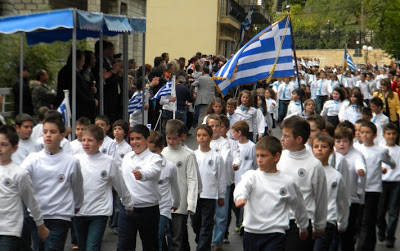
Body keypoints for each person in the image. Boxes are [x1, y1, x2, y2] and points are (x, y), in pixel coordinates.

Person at [21, 112, 84, 250]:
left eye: (53, 132)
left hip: (59, 216)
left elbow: (77, 187)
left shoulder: (71, 162)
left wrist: (77, 204)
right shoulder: (33, 158)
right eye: (45, 132)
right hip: (37, 216)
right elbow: (19, 175)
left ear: (62, 135)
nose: (48, 135)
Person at [234, 136, 309, 251]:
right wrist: (240, 197)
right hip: (251, 232)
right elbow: (242, 187)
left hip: (275, 233)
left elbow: (298, 205)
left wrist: (303, 227)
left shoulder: (287, 181)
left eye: (263, 156)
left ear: (276, 156)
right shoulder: (252, 176)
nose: (259, 160)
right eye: (257, 155)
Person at [73, 125, 134, 251]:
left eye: (90, 140)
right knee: (83, 247)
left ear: (100, 142)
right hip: (79, 212)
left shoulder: (109, 161)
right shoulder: (76, 160)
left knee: (92, 247)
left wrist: (128, 204)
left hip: (99, 212)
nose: (86, 143)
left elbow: (120, 185)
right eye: (83, 140)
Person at [277, 116, 328, 250]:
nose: (282, 139)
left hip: (301, 224)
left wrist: (319, 226)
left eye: (286, 136)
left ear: (298, 139)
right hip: (276, 220)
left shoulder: (314, 164)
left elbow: (320, 198)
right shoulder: (278, 158)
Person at [0, 125, 49, 250]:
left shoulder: (19, 173)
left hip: (9, 230)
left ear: (14, 148)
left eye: (4, 145)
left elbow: (31, 201)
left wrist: (41, 226)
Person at [118, 124, 162, 250]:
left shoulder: (155, 158)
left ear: (147, 140)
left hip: (148, 210)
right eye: (132, 139)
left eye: (138, 138)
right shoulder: (127, 157)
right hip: (127, 210)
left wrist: (141, 174)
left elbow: (152, 171)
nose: (134, 142)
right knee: (124, 246)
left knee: (150, 246)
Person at [357, 121, 395, 251]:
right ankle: (369, 244)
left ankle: (362, 247)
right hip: (359, 189)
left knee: (367, 219)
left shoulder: (381, 150)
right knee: (364, 220)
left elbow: (391, 163)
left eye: (368, 132)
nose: (365, 135)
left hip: (374, 189)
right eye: (362, 132)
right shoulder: (357, 149)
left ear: (374, 135)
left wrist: (384, 167)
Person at [161, 120, 198, 250]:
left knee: (177, 237)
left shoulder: (188, 155)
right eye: (168, 138)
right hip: (163, 202)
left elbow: (192, 180)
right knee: (162, 236)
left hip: (180, 204)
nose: (171, 142)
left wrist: (191, 203)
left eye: (174, 138)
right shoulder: (162, 153)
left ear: (181, 137)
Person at [311, 134, 349, 250]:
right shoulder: (306, 172)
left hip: (327, 221)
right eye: (316, 146)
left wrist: (342, 223)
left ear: (332, 150)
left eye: (323, 146)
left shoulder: (336, 176)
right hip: (308, 221)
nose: (319, 149)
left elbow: (342, 201)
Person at [192, 125, 225, 250]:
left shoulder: (216, 157)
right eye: (199, 135)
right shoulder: (193, 155)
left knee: (207, 224)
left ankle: (202, 247)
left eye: (204, 135)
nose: (201, 138)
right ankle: (200, 240)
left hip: (209, 195)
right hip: (195, 196)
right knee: (195, 223)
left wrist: (221, 196)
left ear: (211, 137)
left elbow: (221, 178)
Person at [334, 125, 366, 250]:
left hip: (351, 200)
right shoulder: (333, 154)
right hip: (334, 201)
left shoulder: (356, 155)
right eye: (338, 141)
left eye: (345, 141)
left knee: (347, 234)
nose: (341, 144)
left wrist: (361, 170)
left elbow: (360, 163)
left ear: (351, 142)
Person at [148, 131, 180, 251]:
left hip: (163, 208)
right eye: (149, 152)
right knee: (155, 238)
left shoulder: (169, 167)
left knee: (157, 236)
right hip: (147, 207)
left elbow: (175, 187)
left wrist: (176, 203)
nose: (152, 156)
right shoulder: (142, 165)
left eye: (154, 152)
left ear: (162, 148)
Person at [231, 120, 257, 234]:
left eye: (233, 132)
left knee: (243, 204)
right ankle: (238, 219)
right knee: (234, 204)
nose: (232, 135)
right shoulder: (233, 145)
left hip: (245, 180)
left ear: (239, 133)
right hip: (234, 179)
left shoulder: (252, 146)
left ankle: (241, 223)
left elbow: (255, 163)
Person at [377, 123, 400, 248]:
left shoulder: (399, 150)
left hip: (396, 183)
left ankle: (390, 236)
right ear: (384, 135)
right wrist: (380, 168)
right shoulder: (379, 149)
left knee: (393, 211)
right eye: (388, 134)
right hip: (381, 183)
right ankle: (381, 231)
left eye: (393, 134)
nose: (391, 136)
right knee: (380, 212)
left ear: (397, 135)